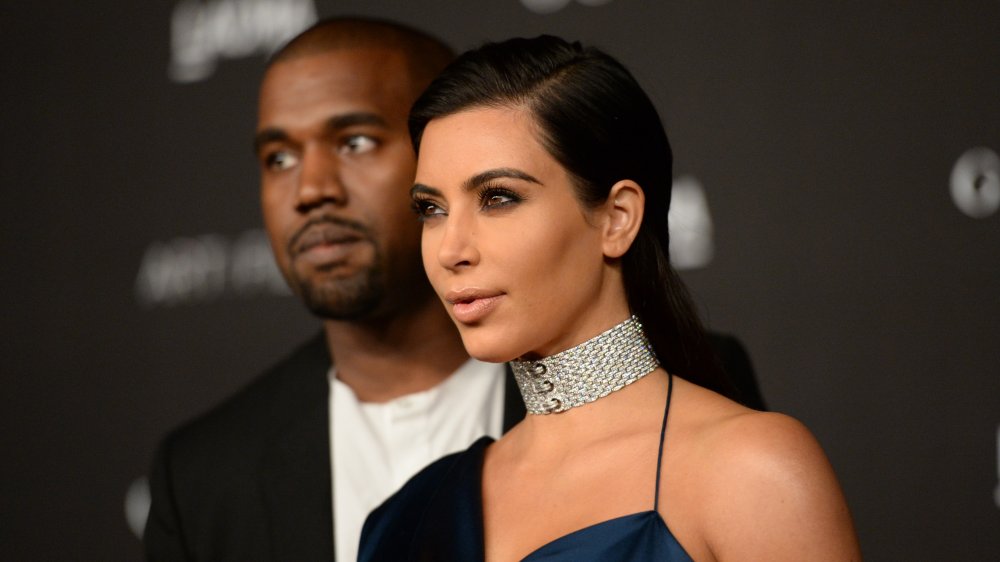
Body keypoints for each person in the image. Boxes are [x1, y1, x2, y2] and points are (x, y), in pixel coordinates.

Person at [359, 36, 861, 561]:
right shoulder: (405, 518)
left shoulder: (749, 469)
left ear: (617, 218)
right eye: (431, 209)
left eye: (498, 198)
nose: (450, 249)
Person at [143, 18, 527, 562]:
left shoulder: (658, 396)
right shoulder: (201, 477)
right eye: (279, 157)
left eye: (355, 142)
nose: (311, 189)